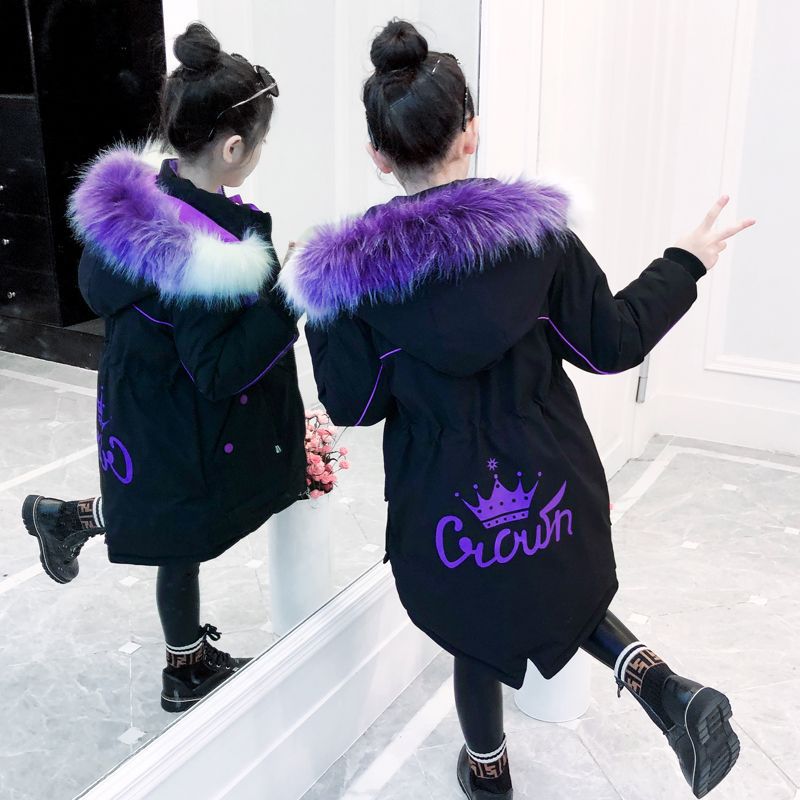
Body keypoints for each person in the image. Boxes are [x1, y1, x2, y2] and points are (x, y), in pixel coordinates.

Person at [279, 19, 755, 799]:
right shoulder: (538, 240)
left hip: (445, 502)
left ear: (377, 155)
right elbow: (613, 344)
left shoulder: (355, 278)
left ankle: (489, 773)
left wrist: (318, 305)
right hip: (550, 474)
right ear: (470, 132)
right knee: (562, 591)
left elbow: (354, 403)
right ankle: (665, 689)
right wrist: (685, 261)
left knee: (476, 628)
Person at [21, 23, 306, 713]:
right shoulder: (204, 254)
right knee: (179, 532)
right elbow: (216, 369)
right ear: (233, 148)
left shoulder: (146, 203)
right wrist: (284, 301)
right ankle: (184, 670)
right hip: (178, 409)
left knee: (167, 520)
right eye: (259, 143)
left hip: (141, 397)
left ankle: (70, 524)